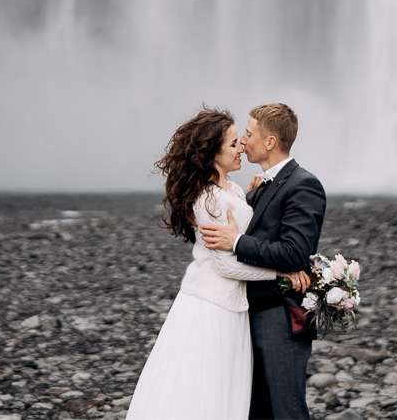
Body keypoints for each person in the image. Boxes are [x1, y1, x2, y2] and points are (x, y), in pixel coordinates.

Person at [126, 108, 311, 420]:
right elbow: (227, 266)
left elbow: (244, 228)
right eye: (232, 143)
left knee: (227, 389)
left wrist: (254, 197)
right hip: (212, 307)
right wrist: (281, 271)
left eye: (242, 140)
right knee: (204, 389)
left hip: (232, 306)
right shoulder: (208, 199)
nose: (240, 146)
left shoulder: (236, 189)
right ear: (212, 152)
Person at [200, 103, 326, 419]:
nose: (243, 141)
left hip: (279, 317)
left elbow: (295, 253)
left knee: (287, 410)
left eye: (249, 134)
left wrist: (238, 243)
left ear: (270, 142)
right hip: (248, 316)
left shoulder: (303, 185)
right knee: (254, 411)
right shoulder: (257, 189)